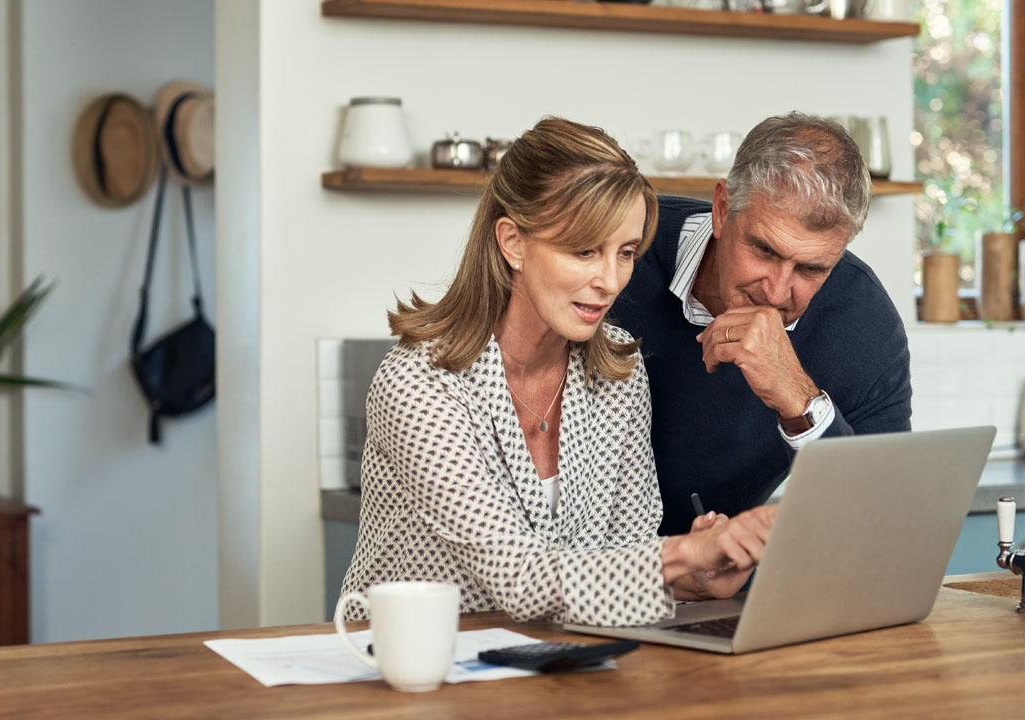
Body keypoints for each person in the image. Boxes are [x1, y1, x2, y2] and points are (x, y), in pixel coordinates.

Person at [340, 117, 777, 627]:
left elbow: (624, 554)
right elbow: (519, 577)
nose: (610, 280)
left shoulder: (619, 373)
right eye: (584, 250)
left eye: (627, 253)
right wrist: (684, 555)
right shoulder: (419, 384)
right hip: (415, 671)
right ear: (513, 242)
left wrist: (690, 582)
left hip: (557, 669)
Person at [612, 112, 912, 538]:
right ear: (721, 208)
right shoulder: (623, 252)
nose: (776, 292)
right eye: (764, 251)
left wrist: (800, 402)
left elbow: (883, 521)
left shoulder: (865, 324)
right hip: (578, 573)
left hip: (720, 581)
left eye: (810, 269)